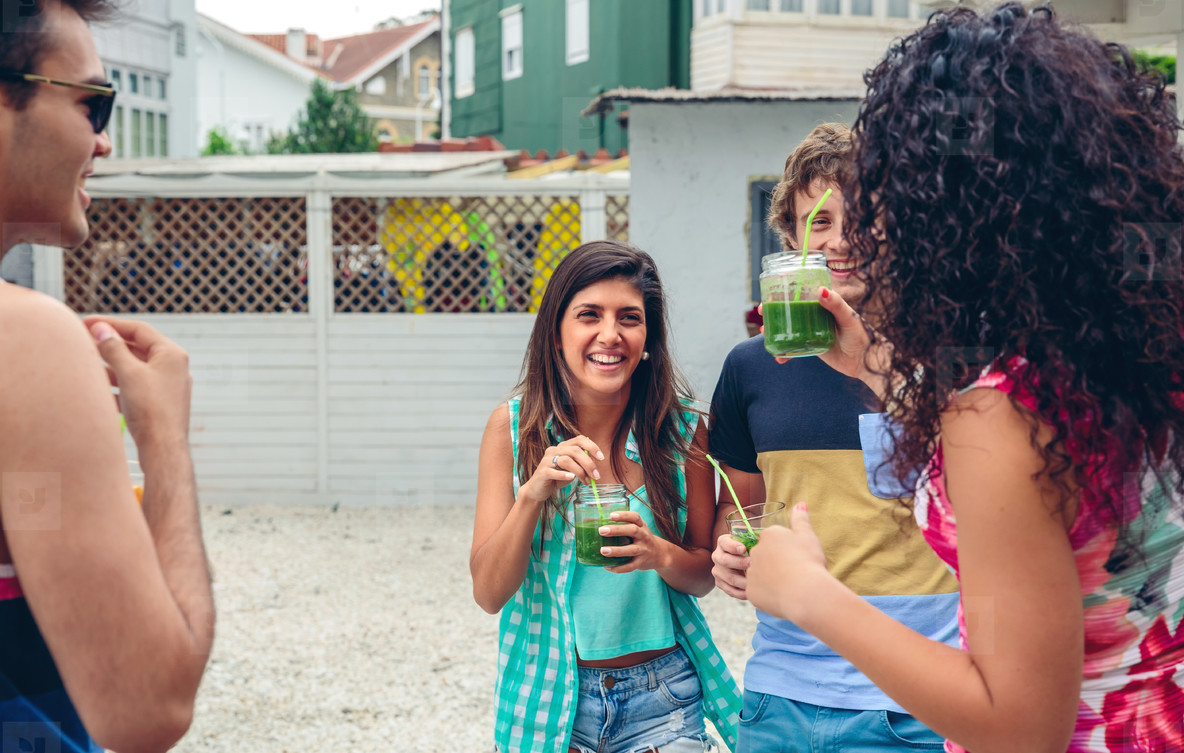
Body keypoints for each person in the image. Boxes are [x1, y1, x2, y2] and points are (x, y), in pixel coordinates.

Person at [746, 4, 1184, 752]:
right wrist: (870, 368)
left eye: (887, 189)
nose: (870, 224)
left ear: (944, 205)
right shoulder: (1133, 342)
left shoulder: (997, 415)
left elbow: (1019, 727)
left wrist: (808, 594)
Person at [0, 1, 214, 750]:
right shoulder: (22, 339)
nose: (105, 139)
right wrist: (163, 439)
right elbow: (148, 706)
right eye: (92, 102)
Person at [708, 123, 959, 752]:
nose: (840, 240)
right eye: (818, 222)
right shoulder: (750, 368)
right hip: (781, 695)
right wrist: (732, 557)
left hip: (919, 698)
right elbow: (740, 512)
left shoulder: (948, 365)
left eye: (864, 217)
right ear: (790, 239)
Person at [472, 240, 741, 753]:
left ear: (649, 338)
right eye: (589, 315)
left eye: (630, 318)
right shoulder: (514, 430)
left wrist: (658, 554)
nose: (610, 335)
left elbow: (703, 576)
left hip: (662, 698)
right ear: (556, 332)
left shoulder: (683, 431)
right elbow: (488, 593)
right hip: (550, 697)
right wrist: (533, 494)